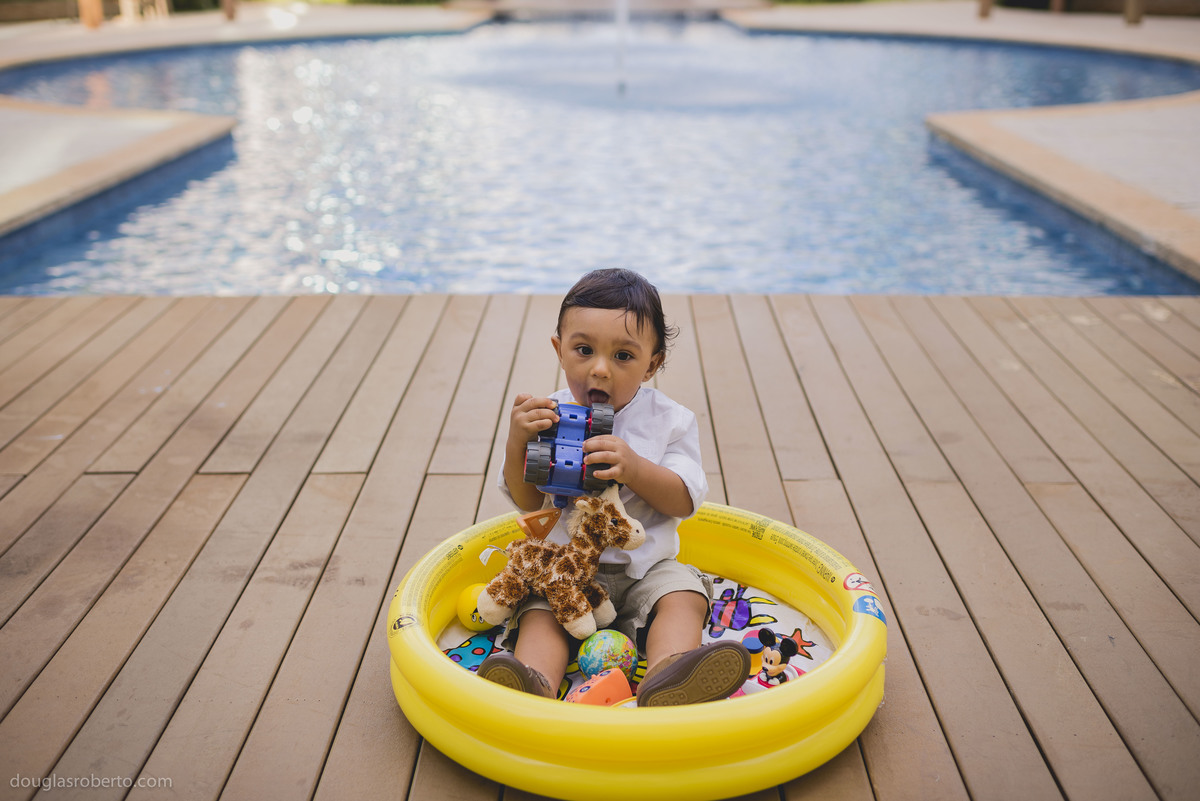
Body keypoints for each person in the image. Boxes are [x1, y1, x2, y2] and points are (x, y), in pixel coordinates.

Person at [478, 268, 750, 706]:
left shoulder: (670, 421)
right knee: (539, 615)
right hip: (566, 572)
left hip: (646, 569)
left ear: (652, 364)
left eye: (624, 356)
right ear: (560, 351)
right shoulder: (549, 415)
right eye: (583, 350)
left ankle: (671, 675)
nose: (600, 370)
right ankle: (532, 684)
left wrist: (636, 469)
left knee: (683, 596)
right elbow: (528, 503)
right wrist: (517, 442)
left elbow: (683, 499)